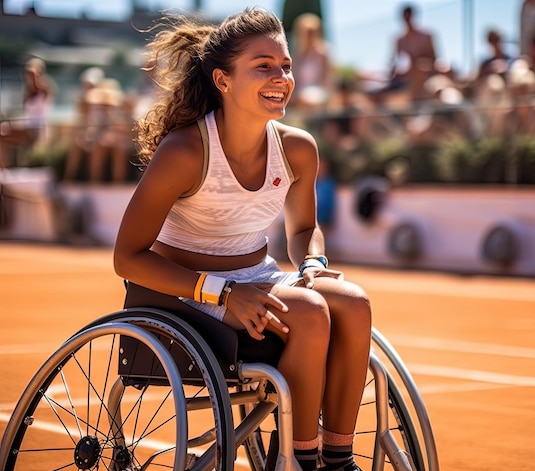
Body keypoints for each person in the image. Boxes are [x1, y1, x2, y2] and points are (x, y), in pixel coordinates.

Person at [113, 8, 372, 471]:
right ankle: (298, 459)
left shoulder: (298, 148)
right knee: (311, 313)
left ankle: (337, 458)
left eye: (286, 65)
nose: (281, 77)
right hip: (184, 293)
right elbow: (127, 258)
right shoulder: (186, 151)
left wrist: (311, 263)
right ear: (223, 80)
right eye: (263, 65)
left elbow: (302, 229)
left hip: (257, 277)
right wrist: (224, 293)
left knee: (353, 302)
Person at [0, 57, 54, 168]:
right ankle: (4, 168)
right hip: (29, 124)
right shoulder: (29, 90)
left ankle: (5, 169)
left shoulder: (45, 88)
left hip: (38, 127)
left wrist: (34, 73)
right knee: (2, 131)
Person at [388, 3, 438, 100]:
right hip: (406, 75)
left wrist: (421, 64)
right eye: (405, 16)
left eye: (409, 15)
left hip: (426, 71)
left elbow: (434, 58)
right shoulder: (399, 39)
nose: (407, 19)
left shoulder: (427, 35)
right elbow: (396, 61)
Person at [290, 13, 335, 110]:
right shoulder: (297, 55)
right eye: (306, 33)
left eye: (312, 32)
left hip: (320, 98)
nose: (309, 36)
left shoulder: (324, 53)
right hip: (300, 99)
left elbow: (329, 80)